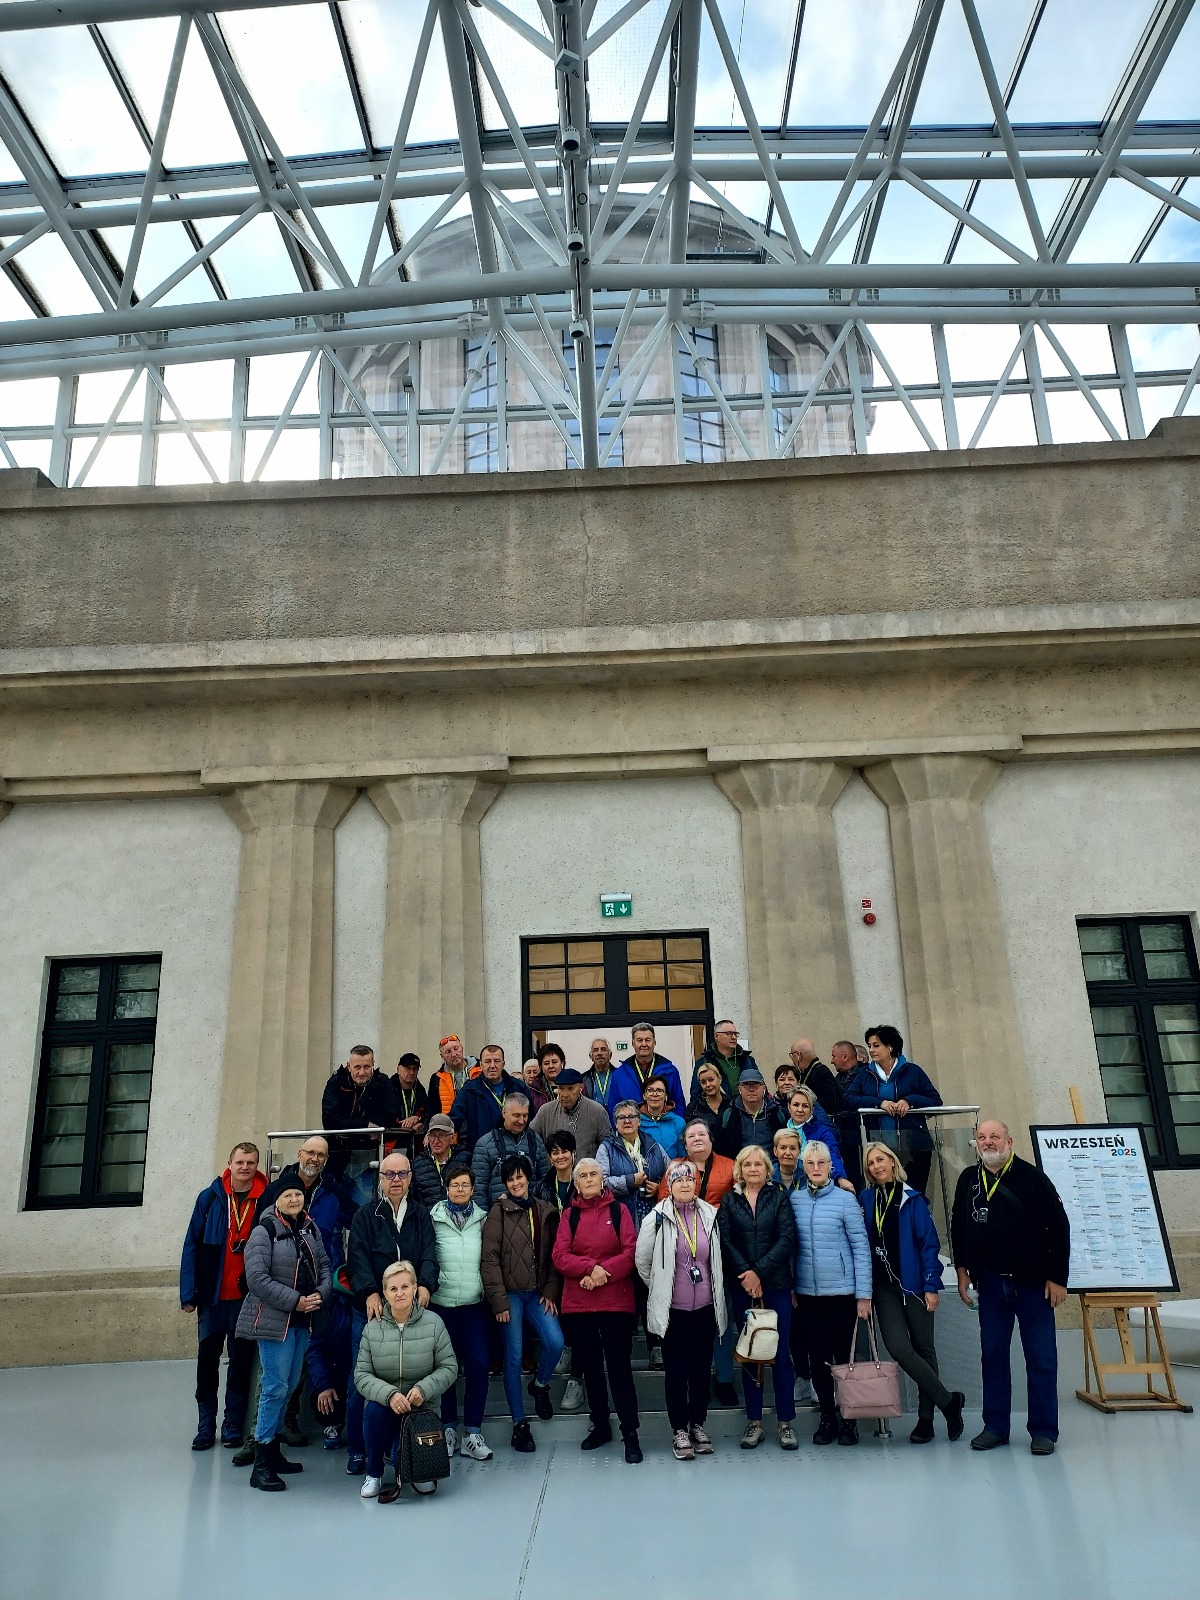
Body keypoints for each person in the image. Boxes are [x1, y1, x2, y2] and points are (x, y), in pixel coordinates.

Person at [951, 1118, 1070, 1456]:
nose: (988, 1142)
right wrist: (962, 1270)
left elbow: (1059, 1228)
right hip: (990, 1285)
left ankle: (1043, 1431)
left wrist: (1058, 1278)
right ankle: (995, 1427)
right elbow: (959, 1226)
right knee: (992, 1358)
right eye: (982, 1137)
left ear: (1009, 1141)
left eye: (995, 1136)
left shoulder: (1033, 1178)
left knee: (1041, 1359)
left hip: (1034, 1286)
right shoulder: (968, 1179)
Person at [861, 1142, 965, 1445]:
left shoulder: (913, 1199)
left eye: (881, 1160)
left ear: (893, 1162)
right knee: (898, 1347)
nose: (876, 1166)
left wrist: (931, 1285)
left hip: (915, 1286)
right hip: (884, 1288)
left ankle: (926, 1419)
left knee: (924, 1349)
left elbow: (929, 1244)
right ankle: (948, 1401)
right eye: (871, 1163)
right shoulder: (866, 1198)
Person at [345, 1153, 438, 1477]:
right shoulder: (365, 1216)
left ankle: (399, 1446)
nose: (396, 1180)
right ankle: (358, 1449)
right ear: (380, 1179)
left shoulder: (421, 1215)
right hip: (372, 1312)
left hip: (411, 1312)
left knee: (407, 1377)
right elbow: (357, 1259)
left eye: (401, 1174)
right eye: (389, 1174)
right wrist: (370, 1292)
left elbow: (429, 1254)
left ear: (410, 1177)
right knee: (361, 1382)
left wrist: (425, 1285)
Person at [236, 1174, 332, 1492]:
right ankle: (261, 1461)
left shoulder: (309, 1228)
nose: (294, 1199)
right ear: (277, 1199)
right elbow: (257, 1279)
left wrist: (320, 1293)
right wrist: (296, 1301)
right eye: (287, 1195)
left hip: (303, 1321)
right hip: (275, 1322)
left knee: (289, 1386)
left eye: (298, 1194)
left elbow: (324, 1264)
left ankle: (274, 1451)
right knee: (275, 1387)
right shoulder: (263, 1231)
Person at [257, 1134, 353, 1447]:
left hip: (318, 1291)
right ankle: (262, 1438)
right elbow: (260, 1241)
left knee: (300, 1359)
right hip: (282, 1290)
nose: (314, 1159)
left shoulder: (333, 1191)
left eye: (321, 1155)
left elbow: (357, 1220)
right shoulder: (276, 1189)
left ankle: (284, 1425)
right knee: (275, 1373)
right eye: (310, 1152)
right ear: (300, 1153)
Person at [552, 1157, 642, 1463]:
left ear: (603, 1180)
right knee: (590, 1369)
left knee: (619, 1368)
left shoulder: (619, 1211)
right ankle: (601, 1425)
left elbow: (630, 1252)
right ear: (576, 1184)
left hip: (615, 1302)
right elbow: (560, 1256)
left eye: (594, 1174)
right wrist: (591, 1268)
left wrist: (603, 1274)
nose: (589, 1178)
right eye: (584, 1175)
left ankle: (630, 1432)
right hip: (580, 1304)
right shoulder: (569, 1215)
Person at [636, 1159, 727, 1459]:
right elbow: (643, 1262)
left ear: (696, 1184)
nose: (685, 1184)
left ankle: (698, 1424)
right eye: (678, 1180)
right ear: (669, 1186)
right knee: (676, 1372)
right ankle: (679, 1429)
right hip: (673, 1310)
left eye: (689, 1179)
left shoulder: (710, 1214)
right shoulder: (656, 1218)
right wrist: (662, 1286)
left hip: (705, 1308)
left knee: (701, 1371)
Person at [180, 1140, 267, 1451]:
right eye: (240, 1162)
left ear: (257, 1166)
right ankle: (206, 1425)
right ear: (230, 1163)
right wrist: (188, 1293)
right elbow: (192, 1244)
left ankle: (232, 1424)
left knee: (240, 1364)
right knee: (207, 1363)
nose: (245, 1167)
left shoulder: (265, 1199)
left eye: (251, 1163)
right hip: (212, 1296)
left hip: (247, 1298)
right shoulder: (210, 1198)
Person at [354, 1260, 459, 1502]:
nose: (399, 1293)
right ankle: (374, 1473)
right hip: (386, 1406)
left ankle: (409, 1463)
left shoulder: (434, 1323)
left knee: (420, 1482)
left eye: (405, 1287)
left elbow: (449, 1367)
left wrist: (424, 1389)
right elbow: (361, 1375)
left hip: (421, 1408)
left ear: (414, 1288)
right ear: (385, 1293)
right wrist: (389, 1395)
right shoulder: (372, 1329)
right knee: (372, 1412)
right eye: (393, 1289)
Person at [790, 1140, 872, 1447]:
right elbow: (791, 1247)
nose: (815, 1168)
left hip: (841, 1293)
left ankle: (849, 1418)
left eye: (821, 1163)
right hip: (808, 1294)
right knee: (818, 1357)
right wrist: (792, 1286)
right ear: (804, 1167)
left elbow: (861, 1248)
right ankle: (827, 1416)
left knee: (844, 1357)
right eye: (810, 1163)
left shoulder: (845, 1200)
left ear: (830, 1167)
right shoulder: (795, 1200)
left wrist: (863, 1295)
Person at [481, 1153, 565, 1452]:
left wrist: (551, 1291)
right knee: (514, 1357)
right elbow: (489, 1259)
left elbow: (554, 1255)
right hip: (511, 1296)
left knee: (555, 1342)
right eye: (510, 1179)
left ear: (528, 1178)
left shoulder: (544, 1209)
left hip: (537, 1293)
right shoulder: (498, 1212)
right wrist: (499, 1302)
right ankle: (519, 1423)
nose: (516, 1183)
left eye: (520, 1177)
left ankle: (540, 1385)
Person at [719, 1145, 799, 1450]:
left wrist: (759, 1274)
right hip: (743, 1287)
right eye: (747, 1164)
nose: (753, 1169)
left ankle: (786, 1423)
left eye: (758, 1164)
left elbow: (786, 1239)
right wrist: (747, 1274)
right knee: (751, 1353)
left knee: (780, 1354)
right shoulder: (729, 1200)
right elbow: (726, 1240)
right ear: (740, 1169)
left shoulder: (778, 1197)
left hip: (776, 1285)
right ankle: (754, 1422)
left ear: (767, 1169)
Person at [429, 1163, 493, 1462]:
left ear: (473, 1189)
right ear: (446, 1188)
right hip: (441, 1306)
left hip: (473, 1306)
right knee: (446, 1369)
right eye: (454, 1184)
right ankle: (447, 1429)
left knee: (479, 1365)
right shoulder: (433, 1218)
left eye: (465, 1184)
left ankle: (473, 1433)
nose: (459, 1189)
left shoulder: (483, 1219)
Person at [843, 1025, 942, 1196]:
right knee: (884, 1196)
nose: (871, 1050)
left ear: (890, 1047)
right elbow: (849, 1098)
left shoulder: (912, 1071)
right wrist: (878, 1103)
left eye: (876, 1045)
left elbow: (935, 1100)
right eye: (869, 1046)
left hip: (914, 1146)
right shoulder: (864, 1073)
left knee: (914, 1195)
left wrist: (909, 1101)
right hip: (879, 1148)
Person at [681, 1119, 738, 1407]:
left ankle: (724, 1377)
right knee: (692, 1320)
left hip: (721, 1250)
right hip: (685, 1256)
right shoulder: (675, 1169)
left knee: (722, 1317)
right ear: (684, 1144)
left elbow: (739, 1204)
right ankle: (696, 1379)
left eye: (702, 1134)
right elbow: (664, 1206)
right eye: (691, 1135)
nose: (697, 1138)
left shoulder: (730, 1167)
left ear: (711, 1139)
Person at [772, 1128, 817, 1412]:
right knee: (790, 1328)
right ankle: (802, 1376)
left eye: (793, 1147)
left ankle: (815, 1377)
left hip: (808, 1258)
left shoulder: (809, 1175)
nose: (788, 1152)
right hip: (779, 1262)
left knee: (809, 1325)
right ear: (775, 1151)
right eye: (783, 1148)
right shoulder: (767, 1178)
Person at [305, 1263, 355, 1450]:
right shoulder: (330, 1304)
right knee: (323, 1395)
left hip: (366, 1374)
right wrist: (324, 1385)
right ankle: (333, 1423)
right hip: (338, 1372)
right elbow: (315, 1349)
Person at [471, 1091, 550, 1206]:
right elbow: (478, 1190)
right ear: (504, 1112)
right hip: (499, 1213)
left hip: (531, 1212)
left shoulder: (536, 1141)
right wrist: (488, 1216)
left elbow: (545, 1182)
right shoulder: (485, 1144)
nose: (521, 1121)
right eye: (516, 1115)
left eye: (525, 1115)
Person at [451, 1043, 522, 1154]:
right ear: (481, 1065)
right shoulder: (470, 1090)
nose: (492, 1065)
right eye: (488, 1061)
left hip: (514, 1151)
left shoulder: (518, 1087)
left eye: (497, 1061)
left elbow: (531, 1119)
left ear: (503, 1064)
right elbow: (454, 1119)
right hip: (481, 1153)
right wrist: (436, 1132)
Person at [531, 1066, 612, 1161]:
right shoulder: (546, 1111)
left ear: (581, 1087)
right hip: (556, 1168)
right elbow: (531, 1139)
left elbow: (608, 1147)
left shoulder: (597, 1111)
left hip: (586, 1169)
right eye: (561, 1088)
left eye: (570, 1088)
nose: (565, 1094)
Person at [784, 1086, 856, 1192]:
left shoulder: (823, 1133)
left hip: (815, 1186)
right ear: (789, 1107)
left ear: (812, 1110)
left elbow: (833, 1154)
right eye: (796, 1105)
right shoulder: (782, 1133)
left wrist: (840, 1178)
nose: (800, 1109)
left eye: (805, 1106)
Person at [609, 1021, 687, 1120]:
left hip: (663, 1126)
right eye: (639, 1040)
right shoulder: (619, 1075)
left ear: (654, 1043)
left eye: (648, 1040)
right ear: (633, 1043)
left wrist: (676, 1126)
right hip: (632, 1127)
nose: (644, 1044)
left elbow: (679, 1104)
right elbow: (613, 1109)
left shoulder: (670, 1071)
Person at [321, 1045, 394, 1132]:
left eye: (366, 1067)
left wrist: (349, 1122)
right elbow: (329, 1121)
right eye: (357, 1067)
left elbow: (391, 1117)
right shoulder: (337, 1082)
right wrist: (365, 1124)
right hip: (340, 1139)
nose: (362, 1072)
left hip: (375, 1138)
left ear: (373, 1065)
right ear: (349, 1066)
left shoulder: (382, 1082)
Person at [716, 1067, 783, 1157]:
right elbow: (720, 1148)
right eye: (746, 1085)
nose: (751, 1089)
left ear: (763, 1088)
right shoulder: (728, 1115)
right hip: (739, 1164)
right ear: (739, 1089)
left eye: (756, 1085)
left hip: (770, 1164)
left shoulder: (776, 1113)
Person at [690, 1018, 759, 1101]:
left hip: (745, 1107)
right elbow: (696, 1094)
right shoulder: (704, 1061)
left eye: (735, 1034)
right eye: (729, 1034)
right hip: (718, 1108)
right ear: (717, 1036)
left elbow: (759, 1086)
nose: (734, 1037)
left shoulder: (747, 1060)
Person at [830, 1039, 865, 1189]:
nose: (832, 1061)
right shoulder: (835, 1080)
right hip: (844, 1138)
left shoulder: (867, 1075)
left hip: (865, 1135)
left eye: (834, 1056)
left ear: (845, 1056)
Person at [788, 1039, 843, 1120]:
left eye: (792, 1055)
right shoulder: (807, 1073)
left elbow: (828, 1104)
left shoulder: (821, 1073)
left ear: (798, 1055)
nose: (792, 1059)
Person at [413, 1114, 459, 1207]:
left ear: (452, 1138)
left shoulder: (464, 1159)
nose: (436, 1140)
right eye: (433, 1135)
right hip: (427, 1215)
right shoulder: (417, 1164)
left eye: (441, 1135)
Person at [390, 1052, 429, 1157]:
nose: (412, 1072)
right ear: (398, 1069)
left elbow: (428, 1113)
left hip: (415, 1145)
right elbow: (385, 1118)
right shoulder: (388, 1089)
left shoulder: (420, 1091)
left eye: (415, 1069)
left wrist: (418, 1120)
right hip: (392, 1143)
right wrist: (407, 1125)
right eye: (408, 1068)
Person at [639, 1075, 686, 1158]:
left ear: (666, 1096)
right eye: (650, 1090)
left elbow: (683, 1156)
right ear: (644, 1096)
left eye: (659, 1090)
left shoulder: (678, 1122)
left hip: (672, 1166)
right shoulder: (636, 1121)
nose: (654, 1094)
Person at [684, 1060, 732, 1140]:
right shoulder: (694, 1108)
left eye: (711, 1080)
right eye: (703, 1082)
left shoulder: (731, 1105)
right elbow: (688, 1135)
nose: (708, 1085)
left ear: (720, 1079)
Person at [429, 1034, 474, 1115]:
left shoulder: (480, 1070)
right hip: (451, 1121)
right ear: (442, 1056)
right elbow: (431, 1110)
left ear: (462, 1048)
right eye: (448, 1052)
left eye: (456, 1048)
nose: (454, 1054)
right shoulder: (437, 1078)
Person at [540, 1129, 578, 1215]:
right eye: (556, 1153)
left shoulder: (582, 1183)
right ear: (550, 1158)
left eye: (564, 1152)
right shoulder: (542, 1187)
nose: (560, 1156)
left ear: (573, 1153)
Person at [584, 1036, 617, 1111]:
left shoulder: (620, 1076)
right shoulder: (584, 1079)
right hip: (593, 1117)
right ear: (591, 1056)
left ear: (610, 1055)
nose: (599, 1053)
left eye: (603, 1049)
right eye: (595, 1050)